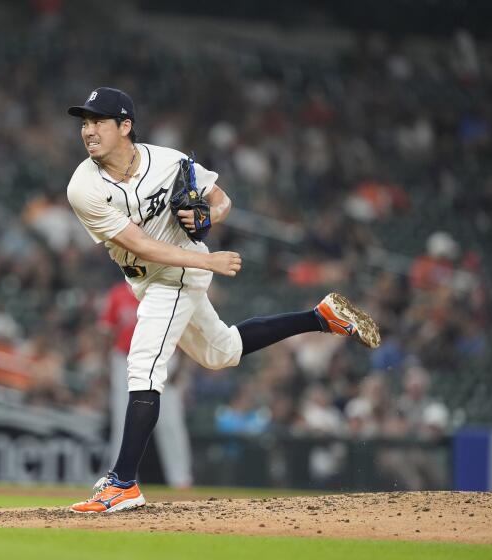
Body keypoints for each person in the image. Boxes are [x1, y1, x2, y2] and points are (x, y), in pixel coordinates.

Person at [65, 87, 381, 513]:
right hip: (155, 270)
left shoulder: (169, 161)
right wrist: (209, 260)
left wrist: (208, 216)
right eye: (84, 122)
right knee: (222, 352)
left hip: (177, 275)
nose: (88, 130)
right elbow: (138, 244)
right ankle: (320, 317)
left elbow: (221, 199)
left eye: (98, 121)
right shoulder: (82, 186)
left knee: (143, 363)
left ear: (125, 126)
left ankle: (123, 482)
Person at [101, 280, 193, 489]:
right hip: (124, 360)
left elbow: (184, 331)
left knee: (170, 423)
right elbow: (107, 334)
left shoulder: (165, 289)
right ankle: (119, 478)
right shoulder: (117, 294)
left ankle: (181, 478)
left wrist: (181, 366)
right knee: (122, 422)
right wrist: (107, 367)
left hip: (163, 358)